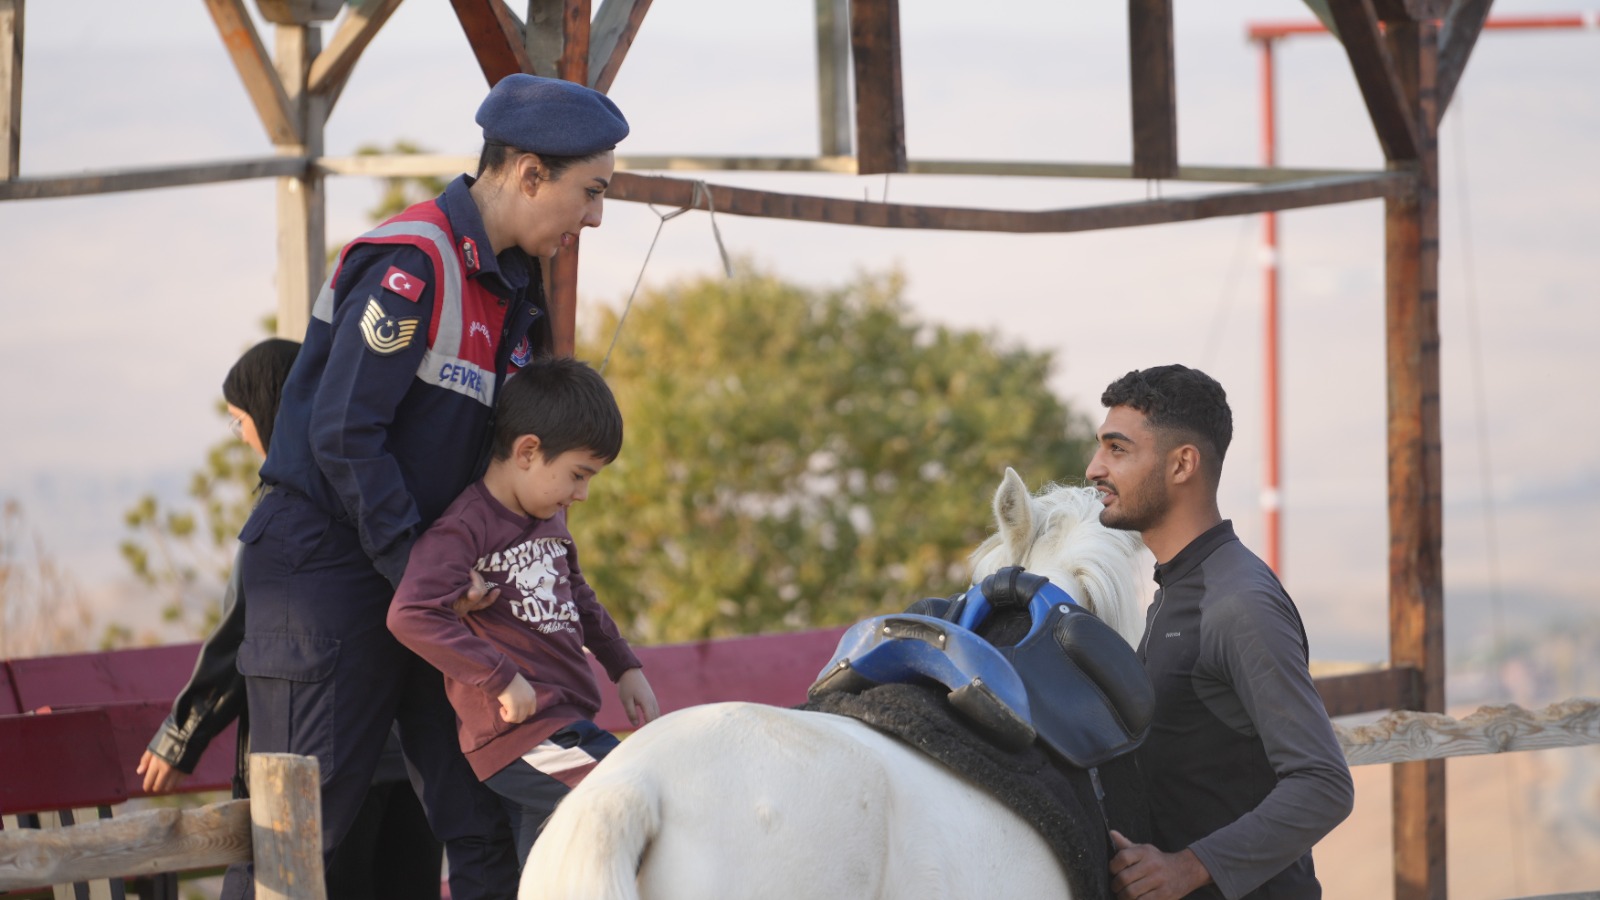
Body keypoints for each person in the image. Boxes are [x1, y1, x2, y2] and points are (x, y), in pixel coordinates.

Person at [228, 73, 629, 900]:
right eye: (590, 193)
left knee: (480, 817)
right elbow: (344, 434)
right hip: (331, 575)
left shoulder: (514, 288)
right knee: (307, 839)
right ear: (527, 173)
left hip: (435, 584)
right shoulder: (415, 264)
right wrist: (425, 570)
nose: (595, 217)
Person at [136, 337, 446, 900]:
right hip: (412, 768)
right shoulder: (385, 490)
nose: (243, 437)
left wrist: (180, 736)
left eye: (240, 421)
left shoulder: (286, 516)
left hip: (330, 769)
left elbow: (245, 637)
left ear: (268, 410)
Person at [1088, 365, 1354, 900]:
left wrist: (1188, 867)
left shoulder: (1239, 602)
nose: (1095, 468)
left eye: (1118, 449)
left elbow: (1323, 783)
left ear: (1183, 463)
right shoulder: (1179, 589)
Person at [388, 356, 659, 866]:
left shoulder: (550, 517)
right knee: (633, 785)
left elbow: (578, 594)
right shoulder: (464, 527)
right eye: (579, 475)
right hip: (521, 734)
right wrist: (500, 677)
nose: (582, 494)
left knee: (549, 870)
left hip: (564, 720)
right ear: (528, 451)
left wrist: (624, 665)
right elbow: (410, 613)